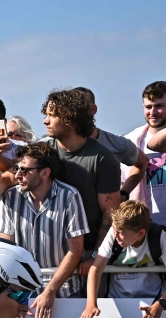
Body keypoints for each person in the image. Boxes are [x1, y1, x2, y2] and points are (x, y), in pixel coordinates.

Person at [0, 143, 88, 318]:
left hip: (66, 294)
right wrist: (14, 298)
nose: (18, 175)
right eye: (17, 169)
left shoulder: (69, 196)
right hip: (24, 295)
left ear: (45, 173)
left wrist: (50, 291)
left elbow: (75, 251)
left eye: (25, 170)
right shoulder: (10, 198)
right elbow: (8, 252)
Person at [39, 88, 121, 254]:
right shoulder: (42, 153)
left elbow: (110, 212)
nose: (45, 121)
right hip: (49, 251)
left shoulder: (102, 158)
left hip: (88, 253)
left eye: (52, 115)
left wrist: (96, 255)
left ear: (70, 118)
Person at [82, 201, 166, 318]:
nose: (116, 235)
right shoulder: (114, 233)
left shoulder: (159, 237)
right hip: (117, 302)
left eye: (121, 233)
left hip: (155, 303)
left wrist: (161, 303)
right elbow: (96, 269)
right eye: (114, 230)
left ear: (140, 233)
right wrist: (91, 304)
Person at [73, 87, 149, 204]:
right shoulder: (54, 144)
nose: (75, 114)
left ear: (93, 109)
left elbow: (142, 162)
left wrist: (124, 192)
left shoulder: (115, 143)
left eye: (80, 108)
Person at [130, 81, 166, 226]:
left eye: (159, 106)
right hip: (145, 230)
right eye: (148, 107)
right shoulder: (131, 142)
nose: (153, 112)